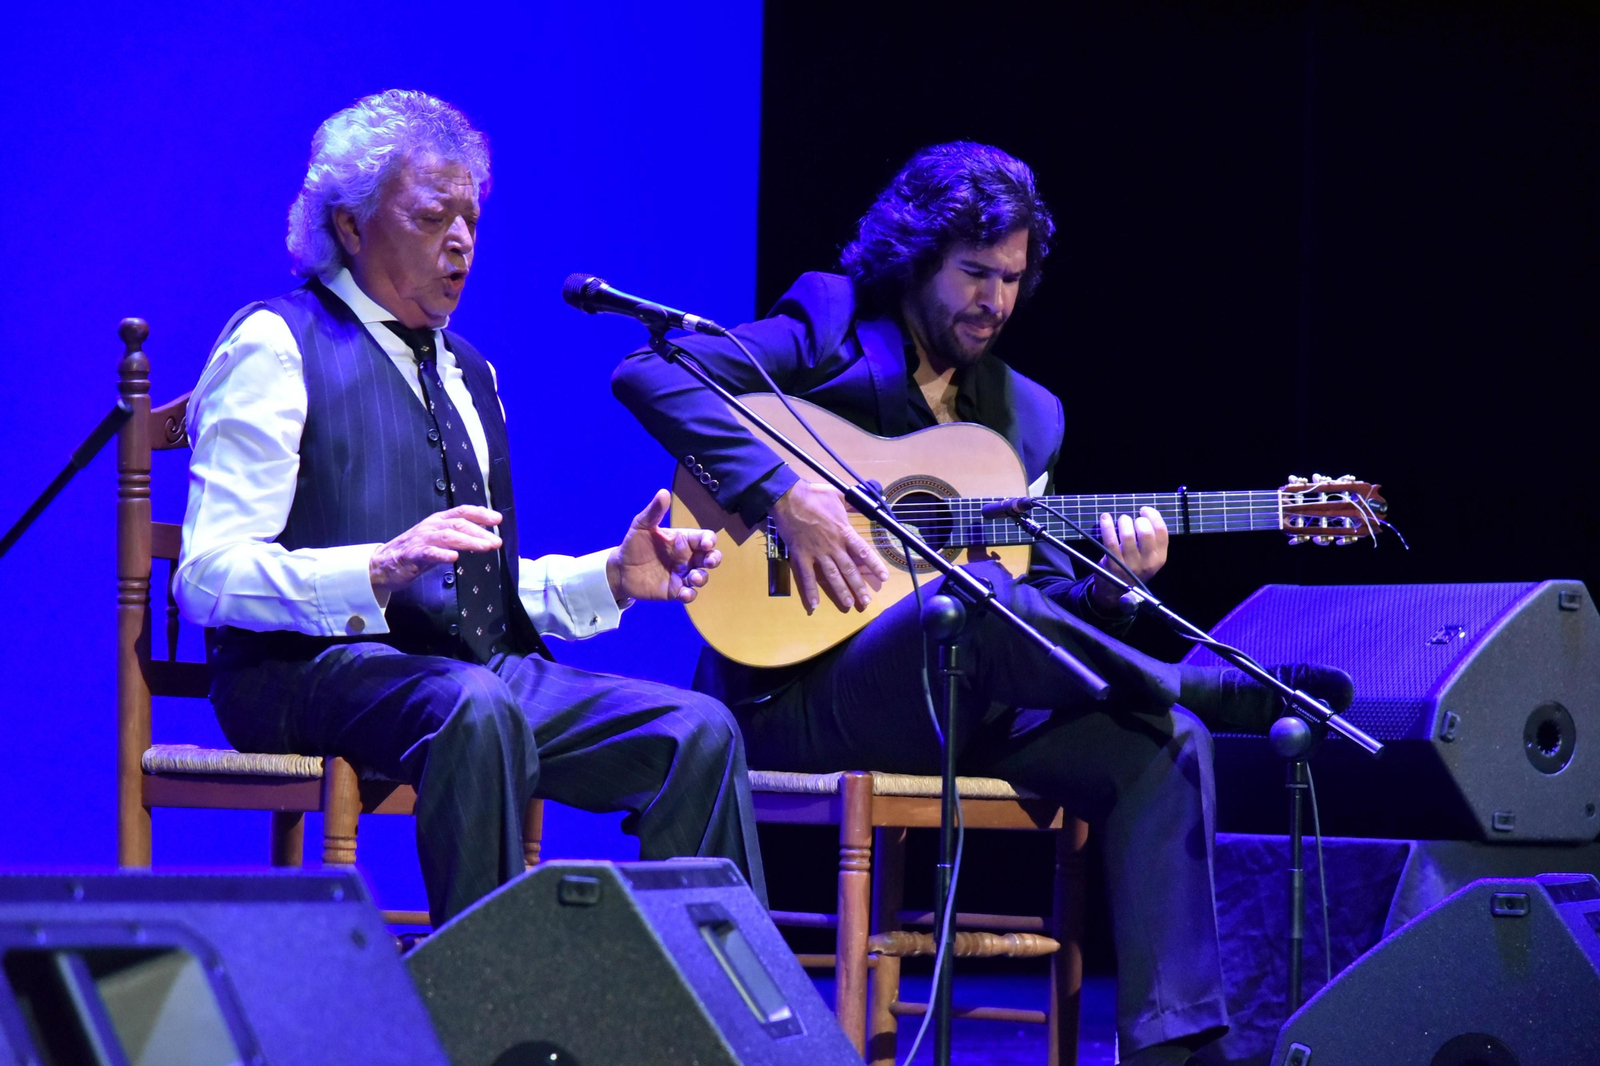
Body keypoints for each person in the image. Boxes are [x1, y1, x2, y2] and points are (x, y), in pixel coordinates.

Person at [612, 142, 1350, 1065]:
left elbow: (1040, 603)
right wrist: (784, 497)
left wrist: (1111, 592)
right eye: (973, 273)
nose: (994, 301)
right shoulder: (830, 326)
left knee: (1163, 743)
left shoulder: (1027, 417)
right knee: (978, 598)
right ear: (917, 258)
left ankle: (1173, 1053)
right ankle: (1192, 678)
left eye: (1010, 278)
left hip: (959, 694)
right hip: (794, 693)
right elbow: (653, 371)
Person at [176, 89, 764, 926]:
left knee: (697, 732)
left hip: (464, 675)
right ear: (350, 226)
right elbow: (206, 575)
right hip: (300, 673)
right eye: (431, 217)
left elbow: (474, 592)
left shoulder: (470, 372)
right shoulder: (276, 345)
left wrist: (613, 578)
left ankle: (704, 1000)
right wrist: (375, 568)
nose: (461, 241)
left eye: (471, 221)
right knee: (475, 707)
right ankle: (497, 991)